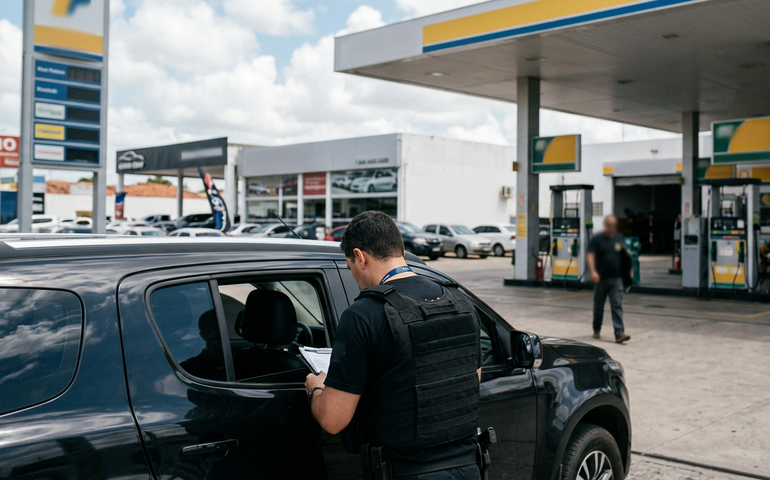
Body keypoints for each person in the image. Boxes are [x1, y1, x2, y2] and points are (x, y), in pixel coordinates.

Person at [305, 211, 484, 479]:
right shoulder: (461, 302)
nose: (353, 274)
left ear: (360, 256)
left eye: (349, 265)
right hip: (470, 468)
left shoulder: (363, 315)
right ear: (398, 249)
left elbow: (333, 420)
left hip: (406, 471)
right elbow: (471, 380)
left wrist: (315, 390)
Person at [587, 215, 632, 344]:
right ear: (605, 225)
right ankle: (597, 328)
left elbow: (624, 255)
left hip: (616, 278)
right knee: (598, 305)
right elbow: (590, 255)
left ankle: (619, 333)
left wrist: (629, 270)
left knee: (617, 305)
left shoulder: (618, 238)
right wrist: (593, 272)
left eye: (614, 225)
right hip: (601, 278)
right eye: (610, 225)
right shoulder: (597, 239)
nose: (612, 228)